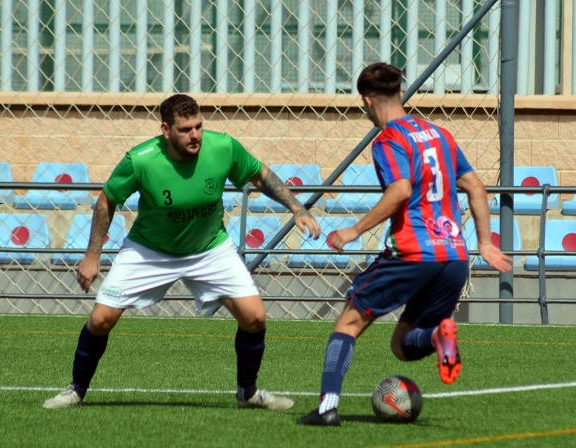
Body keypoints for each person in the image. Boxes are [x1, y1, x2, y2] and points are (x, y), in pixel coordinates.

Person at [43, 93, 321, 410]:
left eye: (199, 126)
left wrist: (297, 207)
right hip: (149, 250)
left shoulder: (223, 147)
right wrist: (92, 255)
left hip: (209, 248)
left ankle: (248, 392)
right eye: (186, 129)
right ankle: (76, 390)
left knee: (254, 317)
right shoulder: (141, 159)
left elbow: (260, 174)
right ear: (166, 130)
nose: (195, 135)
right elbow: (106, 201)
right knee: (101, 319)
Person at [297, 63, 513, 426]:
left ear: (366, 101)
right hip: (455, 256)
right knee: (403, 344)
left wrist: (353, 230)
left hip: (413, 252)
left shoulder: (387, 141)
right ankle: (438, 337)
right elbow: (476, 187)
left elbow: (400, 190)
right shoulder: (439, 135)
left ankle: (327, 408)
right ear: (400, 92)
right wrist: (486, 245)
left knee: (348, 324)